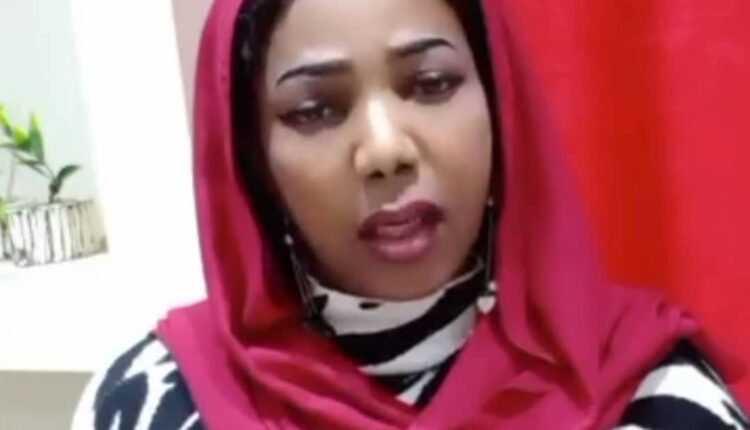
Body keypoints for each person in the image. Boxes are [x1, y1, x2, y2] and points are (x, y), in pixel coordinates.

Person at [73, 0, 749, 428]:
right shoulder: (152, 403)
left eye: (431, 84)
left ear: (500, 106)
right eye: (315, 110)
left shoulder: (653, 394)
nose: (385, 150)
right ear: (252, 159)